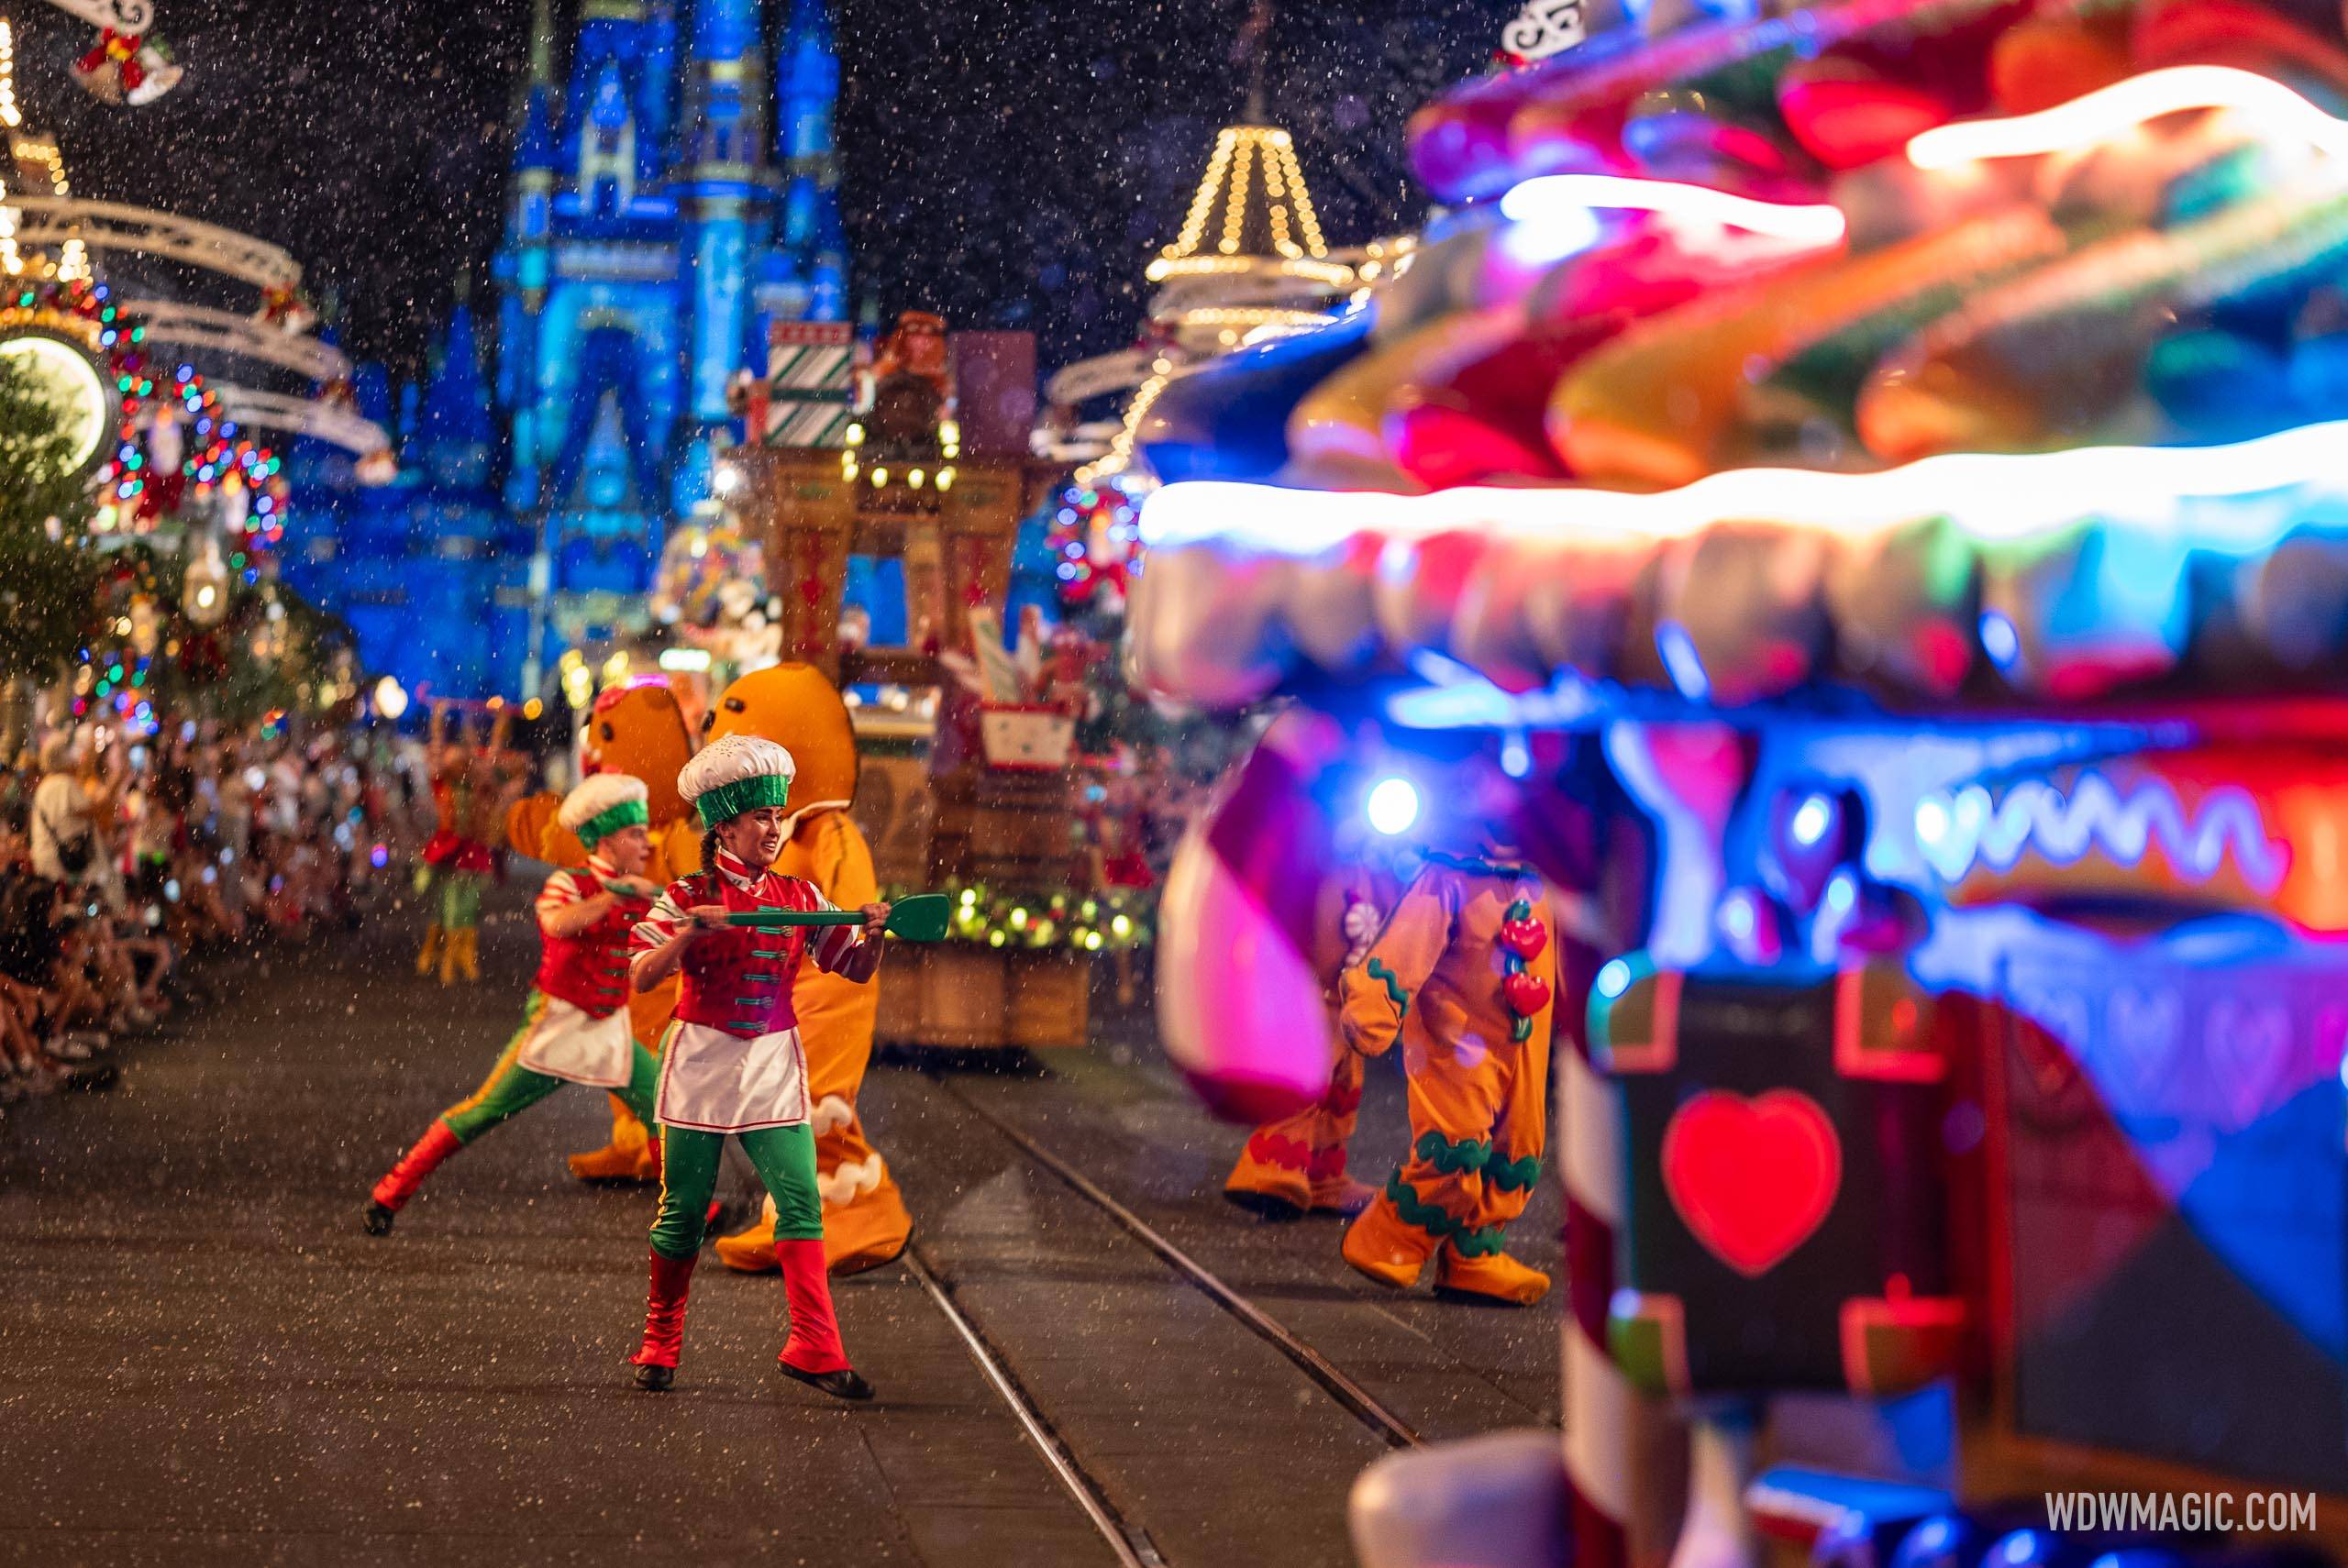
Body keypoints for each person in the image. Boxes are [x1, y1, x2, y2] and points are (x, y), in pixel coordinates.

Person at [624, 734, 892, 1399]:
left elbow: (849, 965)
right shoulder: (685, 894)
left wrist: (876, 936)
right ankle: (660, 1337)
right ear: (725, 826)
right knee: (682, 1213)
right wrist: (690, 933)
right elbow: (639, 974)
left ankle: (815, 1346)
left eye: (779, 818)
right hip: (702, 1061)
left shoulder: (800, 896)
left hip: (772, 1062)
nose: (777, 829)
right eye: (763, 818)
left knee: (801, 1203)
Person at [361, 776, 668, 1235]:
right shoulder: (570, 883)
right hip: (556, 1025)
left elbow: (669, 936)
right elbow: (560, 924)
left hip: (608, 1030)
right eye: (635, 834)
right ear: (607, 840)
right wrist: (613, 897)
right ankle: (391, 1192)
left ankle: (685, 1212)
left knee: (663, 1111)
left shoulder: (642, 891)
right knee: (481, 1112)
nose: (646, 843)